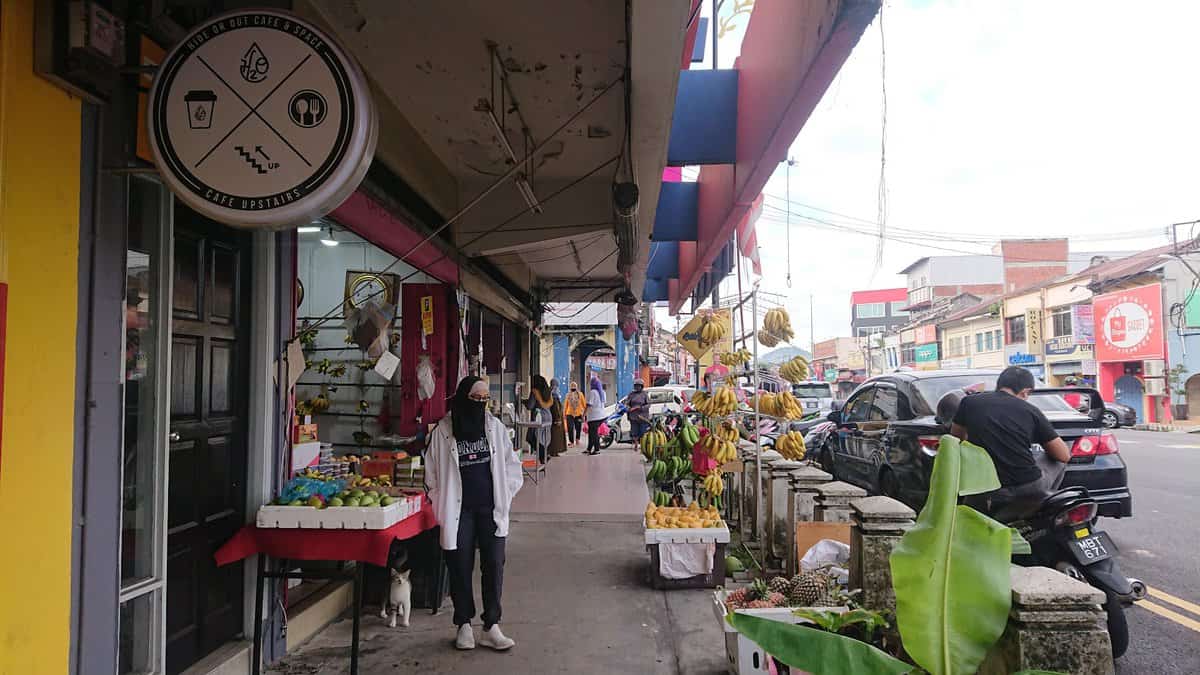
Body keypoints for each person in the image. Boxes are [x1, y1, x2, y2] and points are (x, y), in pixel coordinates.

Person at [425, 377, 524, 651]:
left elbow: (512, 466)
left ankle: (491, 625)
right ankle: (464, 625)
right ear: (462, 397)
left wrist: (506, 495)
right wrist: (438, 502)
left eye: (485, 399)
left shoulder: (495, 427)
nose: (480, 404)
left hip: (490, 509)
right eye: (475, 398)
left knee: (494, 564)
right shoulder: (443, 431)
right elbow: (431, 474)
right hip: (459, 510)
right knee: (459, 565)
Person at [950, 366, 1071, 516]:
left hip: (983, 487)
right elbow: (1063, 456)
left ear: (999, 384)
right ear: (1025, 392)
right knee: (1058, 458)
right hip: (1027, 487)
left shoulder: (969, 403)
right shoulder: (1031, 411)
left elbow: (956, 440)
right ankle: (1044, 505)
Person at [525, 376, 553, 464]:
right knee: (544, 437)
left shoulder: (535, 391)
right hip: (548, 416)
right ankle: (544, 455)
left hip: (539, 417)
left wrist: (523, 402)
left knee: (533, 437)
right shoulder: (548, 391)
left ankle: (543, 456)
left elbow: (530, 406)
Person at [584, 375, 607, 455]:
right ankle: (589, 449)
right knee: (592, 433)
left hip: (594, 417)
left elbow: (589, 404)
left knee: (593, 434)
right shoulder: (603, 392)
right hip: (601, 416)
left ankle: (597, 450)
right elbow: (604, 403)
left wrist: (583, 414)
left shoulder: (593, 392)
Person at [626, 378, 652, 444]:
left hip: (643, 417)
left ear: (641, 386)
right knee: (634, 431)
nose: (637, 387)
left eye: (638, 386)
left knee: (643, 431)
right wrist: (629, 408)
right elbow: (627, 404)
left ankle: (643, 443)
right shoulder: (631, 394)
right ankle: (636, 443)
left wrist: (640, 407)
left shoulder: (645, 394)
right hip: (633, 416)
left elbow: (648, 404)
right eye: (636, 386)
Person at [548, 378, 567, 457]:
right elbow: (556, 408)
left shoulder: (551, 393)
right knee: (556, 436)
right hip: (555, 419)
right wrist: (558, 419)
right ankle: (554, 451)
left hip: (554, 418)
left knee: (555, 436)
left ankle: (554, 451)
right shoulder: (553, 394)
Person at [563, 381, 586, 446]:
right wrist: (564, 414)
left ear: (576, 387)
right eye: (572, 386)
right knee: (570, 427)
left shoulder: (580, 394)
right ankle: (571, 442)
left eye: (574, 386)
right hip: (569, 414)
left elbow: (584, 404)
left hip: (578, 414)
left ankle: (577, 439)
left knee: (578, 427)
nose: (573, 387)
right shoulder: (568, 395)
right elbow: (565, 405)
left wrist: (585, 413)